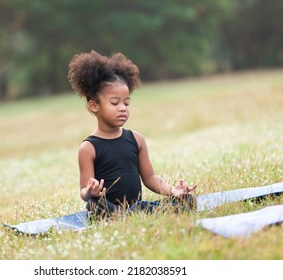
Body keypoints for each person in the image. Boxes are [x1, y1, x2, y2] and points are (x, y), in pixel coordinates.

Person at [68, 50, 197, 219]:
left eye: (126, 103)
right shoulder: (88, 148)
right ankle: (127, 216)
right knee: (93, 204)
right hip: (108, 207)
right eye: (115, 102)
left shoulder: (136, 140)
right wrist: (90, 191)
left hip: (136, 207)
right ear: (94, 105)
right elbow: (84, 193)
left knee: (189, 201)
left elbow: (150, 178)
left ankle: (135, 215)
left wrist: (174, 191)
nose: (123, 108)